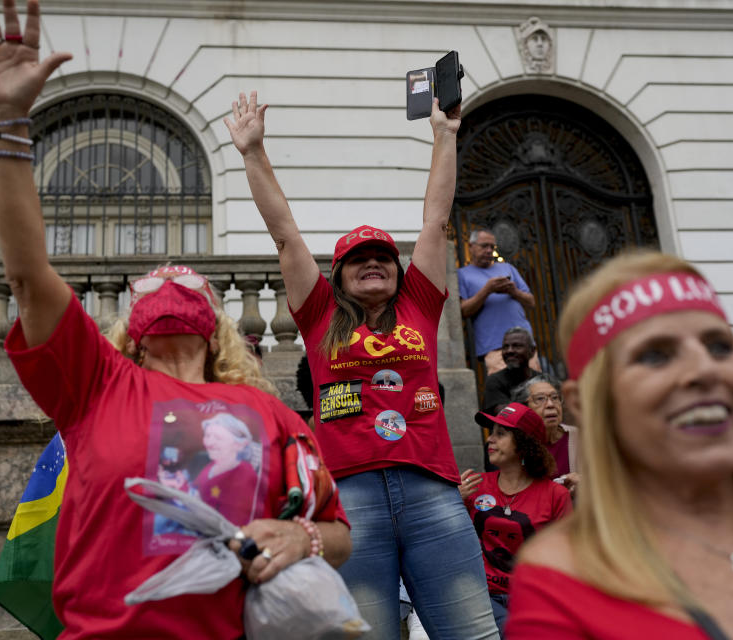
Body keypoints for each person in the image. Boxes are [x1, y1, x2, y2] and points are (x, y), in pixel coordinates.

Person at [0, 4, 350, 637]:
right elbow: (29, 278)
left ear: (216, 325)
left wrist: (301, 536)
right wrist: (8, 125)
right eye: (153, 282)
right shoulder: (96, 386)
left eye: (189, 279)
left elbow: (339, 533)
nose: (171, 281)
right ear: (129, 333)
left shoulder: (273, 415)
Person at [225, 90, 498, 638]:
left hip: (433, 497)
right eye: (358, 259)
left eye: (382, 257)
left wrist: (445, 136)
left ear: (399, 274)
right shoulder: (319, 315)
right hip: (349, 502)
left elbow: (435, 221)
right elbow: (286, 236)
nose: (373, 262)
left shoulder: (421, 305)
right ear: (339, 277)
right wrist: (254, 152)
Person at [505, 251, 733, 639]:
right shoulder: (559, 582)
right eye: (655, 355)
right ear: (586, 402)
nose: (704, 370)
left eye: (720, 347)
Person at [459, 403, 572, 635]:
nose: (490, 440)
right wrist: (454, 501)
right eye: (492, 433)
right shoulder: (474, 485)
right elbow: (446, 541)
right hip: (482, 598)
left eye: (501, 434)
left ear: (524, 445)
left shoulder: (554, 494)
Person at [458, 229, 536, 375]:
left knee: (534, 390)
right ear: (471, 246)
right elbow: (463, 311)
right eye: (484, 246)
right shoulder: (462, 274)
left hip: (524, 343)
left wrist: (514, 291)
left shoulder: (508, 268)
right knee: (505, 392)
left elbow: (531, 302)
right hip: (494, 346)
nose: (489, 250)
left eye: (492, 247)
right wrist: (487, 289)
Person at [512, 374, 580, 494]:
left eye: (555, 397)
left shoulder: (579, 437)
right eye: (540, 399)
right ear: (525, 408)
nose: (550, 404)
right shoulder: (518, 444)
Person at [481, 328, 541, 413]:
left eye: (517, 346)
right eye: (505, 347)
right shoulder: (495, 381)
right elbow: (507, 416)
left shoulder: (542, 381)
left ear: (532, 351)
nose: (509, 351)